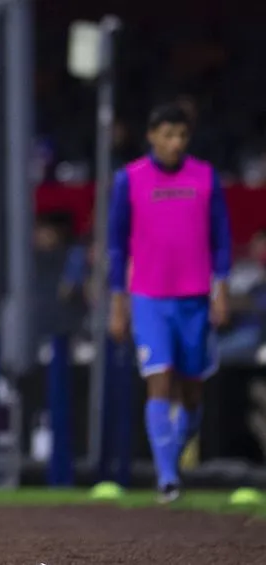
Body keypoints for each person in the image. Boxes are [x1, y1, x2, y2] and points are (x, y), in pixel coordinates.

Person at [107, 103, 232, 503]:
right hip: (149, 296)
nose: (176, 143)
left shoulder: (205, 177)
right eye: (169, 135)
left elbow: (222, 241)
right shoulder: (129, 179)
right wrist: (118, 303)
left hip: (194, 297)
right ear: (152, 136)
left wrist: (221, 290)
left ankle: (170, 458)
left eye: (182, 136)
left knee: (192, 393)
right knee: (159, 379)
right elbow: (115, 244)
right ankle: (167, 478)